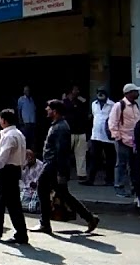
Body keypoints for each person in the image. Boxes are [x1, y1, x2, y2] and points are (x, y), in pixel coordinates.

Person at [36, 100, 101, 234]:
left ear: (54, 111)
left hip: (52, 165)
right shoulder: (57, 125)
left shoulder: (61, 128)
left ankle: (45, 223)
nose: (46, 110)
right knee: (63, 194)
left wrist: (61, 172)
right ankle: (89, 218)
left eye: (48, 108)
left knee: (43, 188)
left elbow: (62, 152)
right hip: (51, 164)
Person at [0, 109, 29, 243]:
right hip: (14, 171)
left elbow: (2, 158)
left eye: (0, 119)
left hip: (6, 172)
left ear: (4, 120)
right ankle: (19, 233)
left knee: (0, 203)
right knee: (12, 204)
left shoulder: (9, 136)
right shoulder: (19, 134)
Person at [108, 83, 140, 201]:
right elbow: (113, 122)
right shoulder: (119, 105)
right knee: (121, 164)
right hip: (123, 140)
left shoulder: (135, 105)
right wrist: (118, 137)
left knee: (133, 165)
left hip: (134, 141)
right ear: (129, 93)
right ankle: (119, 187)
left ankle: (133, 187)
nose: (138, 93)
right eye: (136, 91)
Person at [87, 88, 116, 186]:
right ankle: (90, 180)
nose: (100, 94)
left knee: (110, 160)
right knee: (94, 158)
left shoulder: (113, 105)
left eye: (102, 92)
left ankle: (109, 180)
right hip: (95, 136)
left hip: (108, 137)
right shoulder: (93, 104)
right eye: (98, 92)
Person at [63, 86, 90, 183]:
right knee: (65, 154)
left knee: (81, 154)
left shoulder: (80, 101)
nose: (78, 91)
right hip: (69, 132)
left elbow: (85, 107)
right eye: (75, 89)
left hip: (80, 131)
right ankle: (65, 173)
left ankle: (81, 174)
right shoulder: (64, 102)